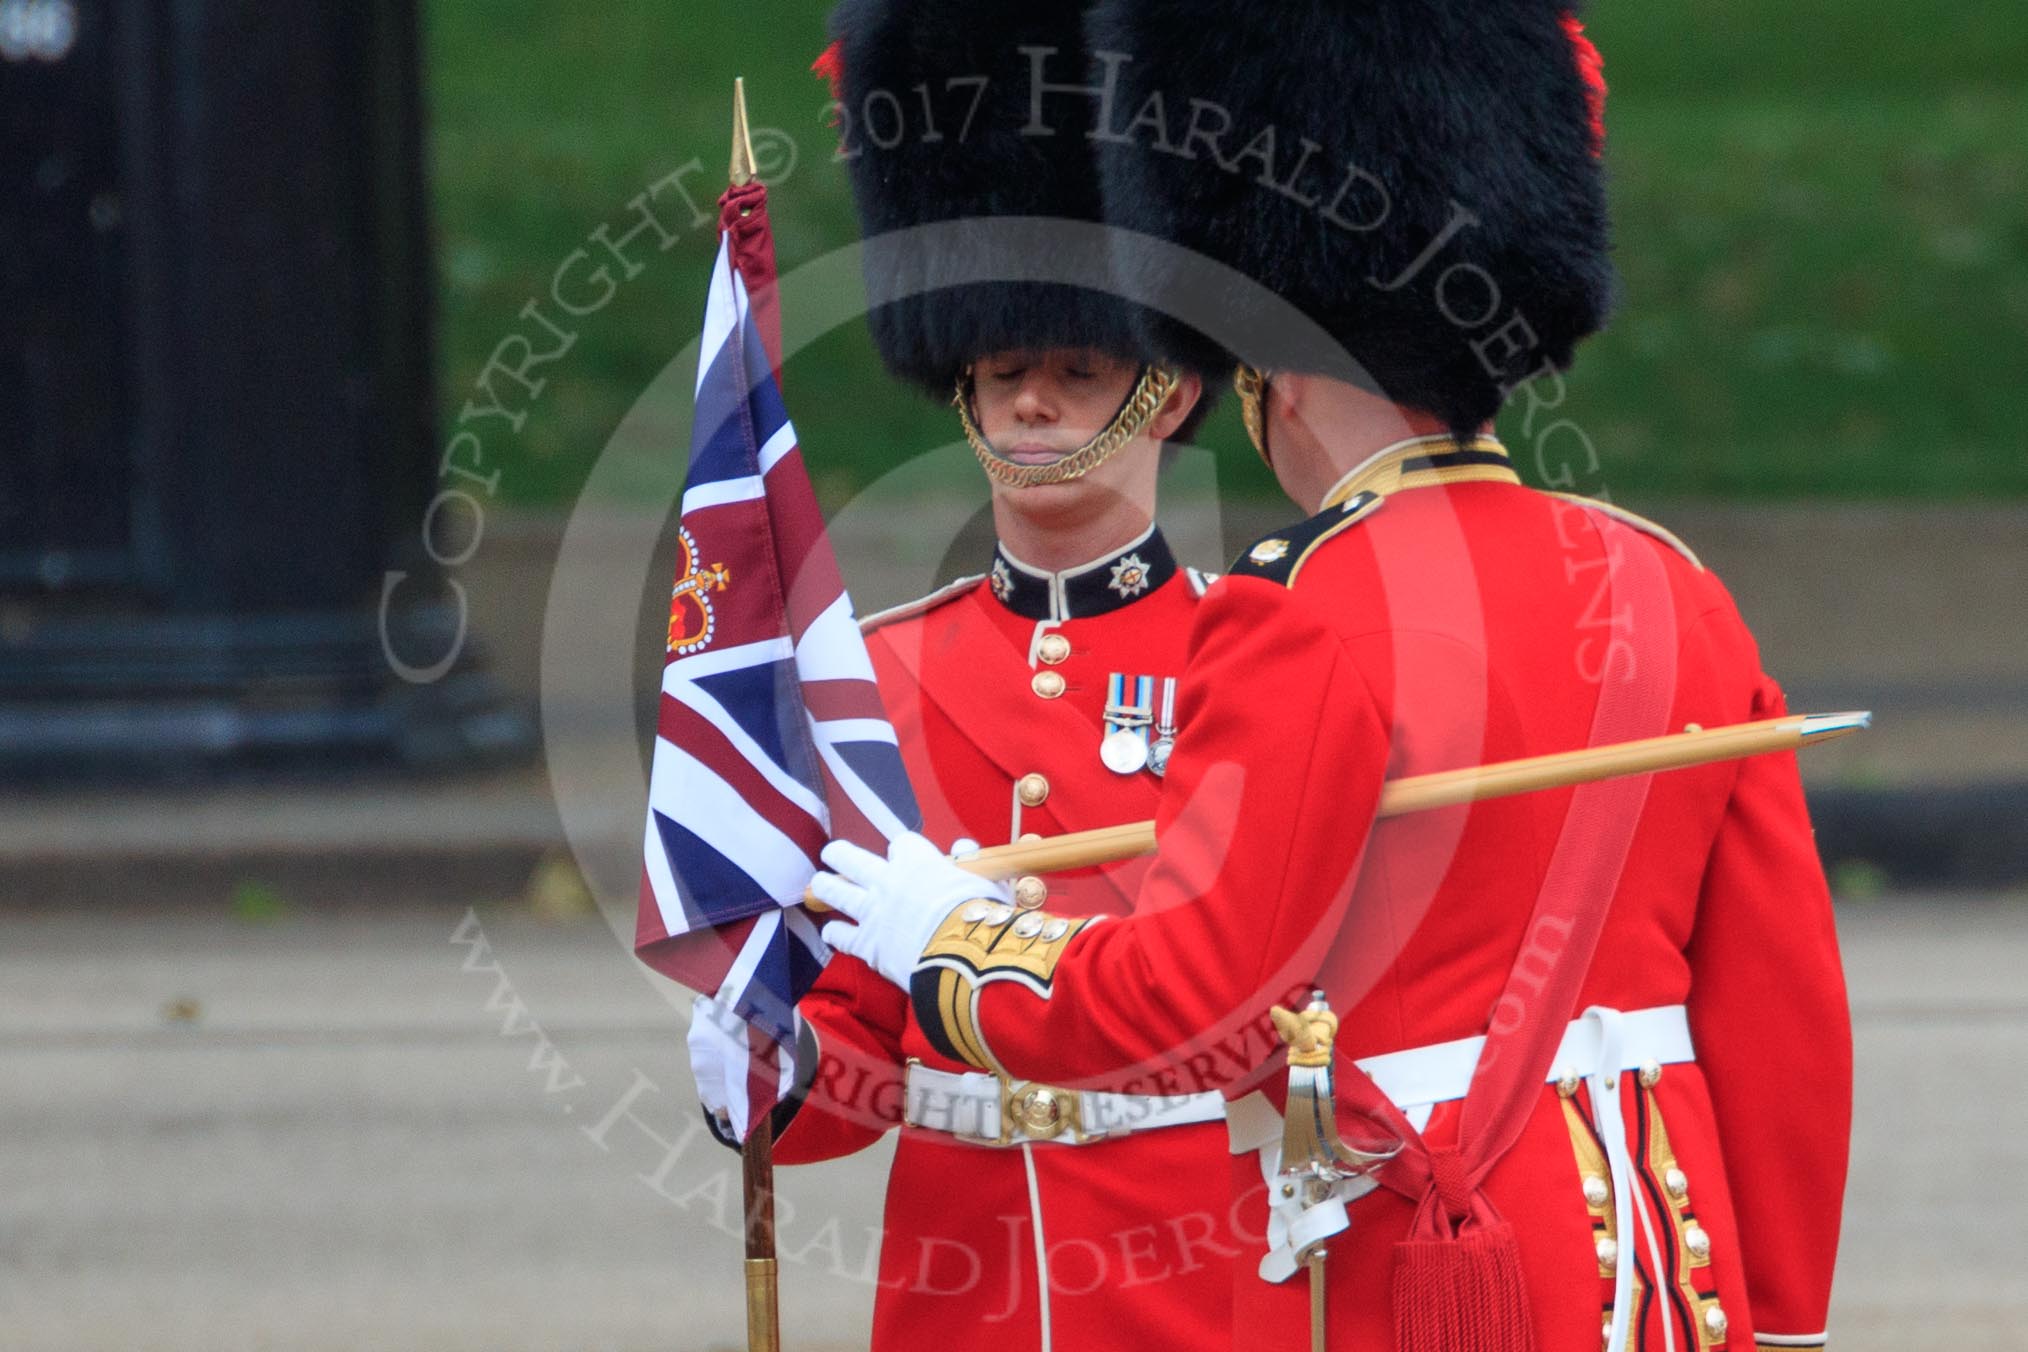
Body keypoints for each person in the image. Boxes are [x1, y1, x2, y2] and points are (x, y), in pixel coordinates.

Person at [808, 4, 1853, 1351]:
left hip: (1425, 1256)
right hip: (1666, 1258)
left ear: (1273, 376)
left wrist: (951, 943)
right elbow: (1782, 1013)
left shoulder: (1299, 607)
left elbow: (1194, 995)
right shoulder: (1669, 582)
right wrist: (1782, 1316)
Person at [687, 5, 1236, 1348]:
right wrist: (784, 1067)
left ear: (1167, 393)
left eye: (1078, 369)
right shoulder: (878, 675)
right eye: (1003, 368)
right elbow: (865, 1034)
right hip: (963, 1280)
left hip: (1193, 1271)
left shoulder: (1247, 654)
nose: (1033, 403)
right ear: (964, 388)